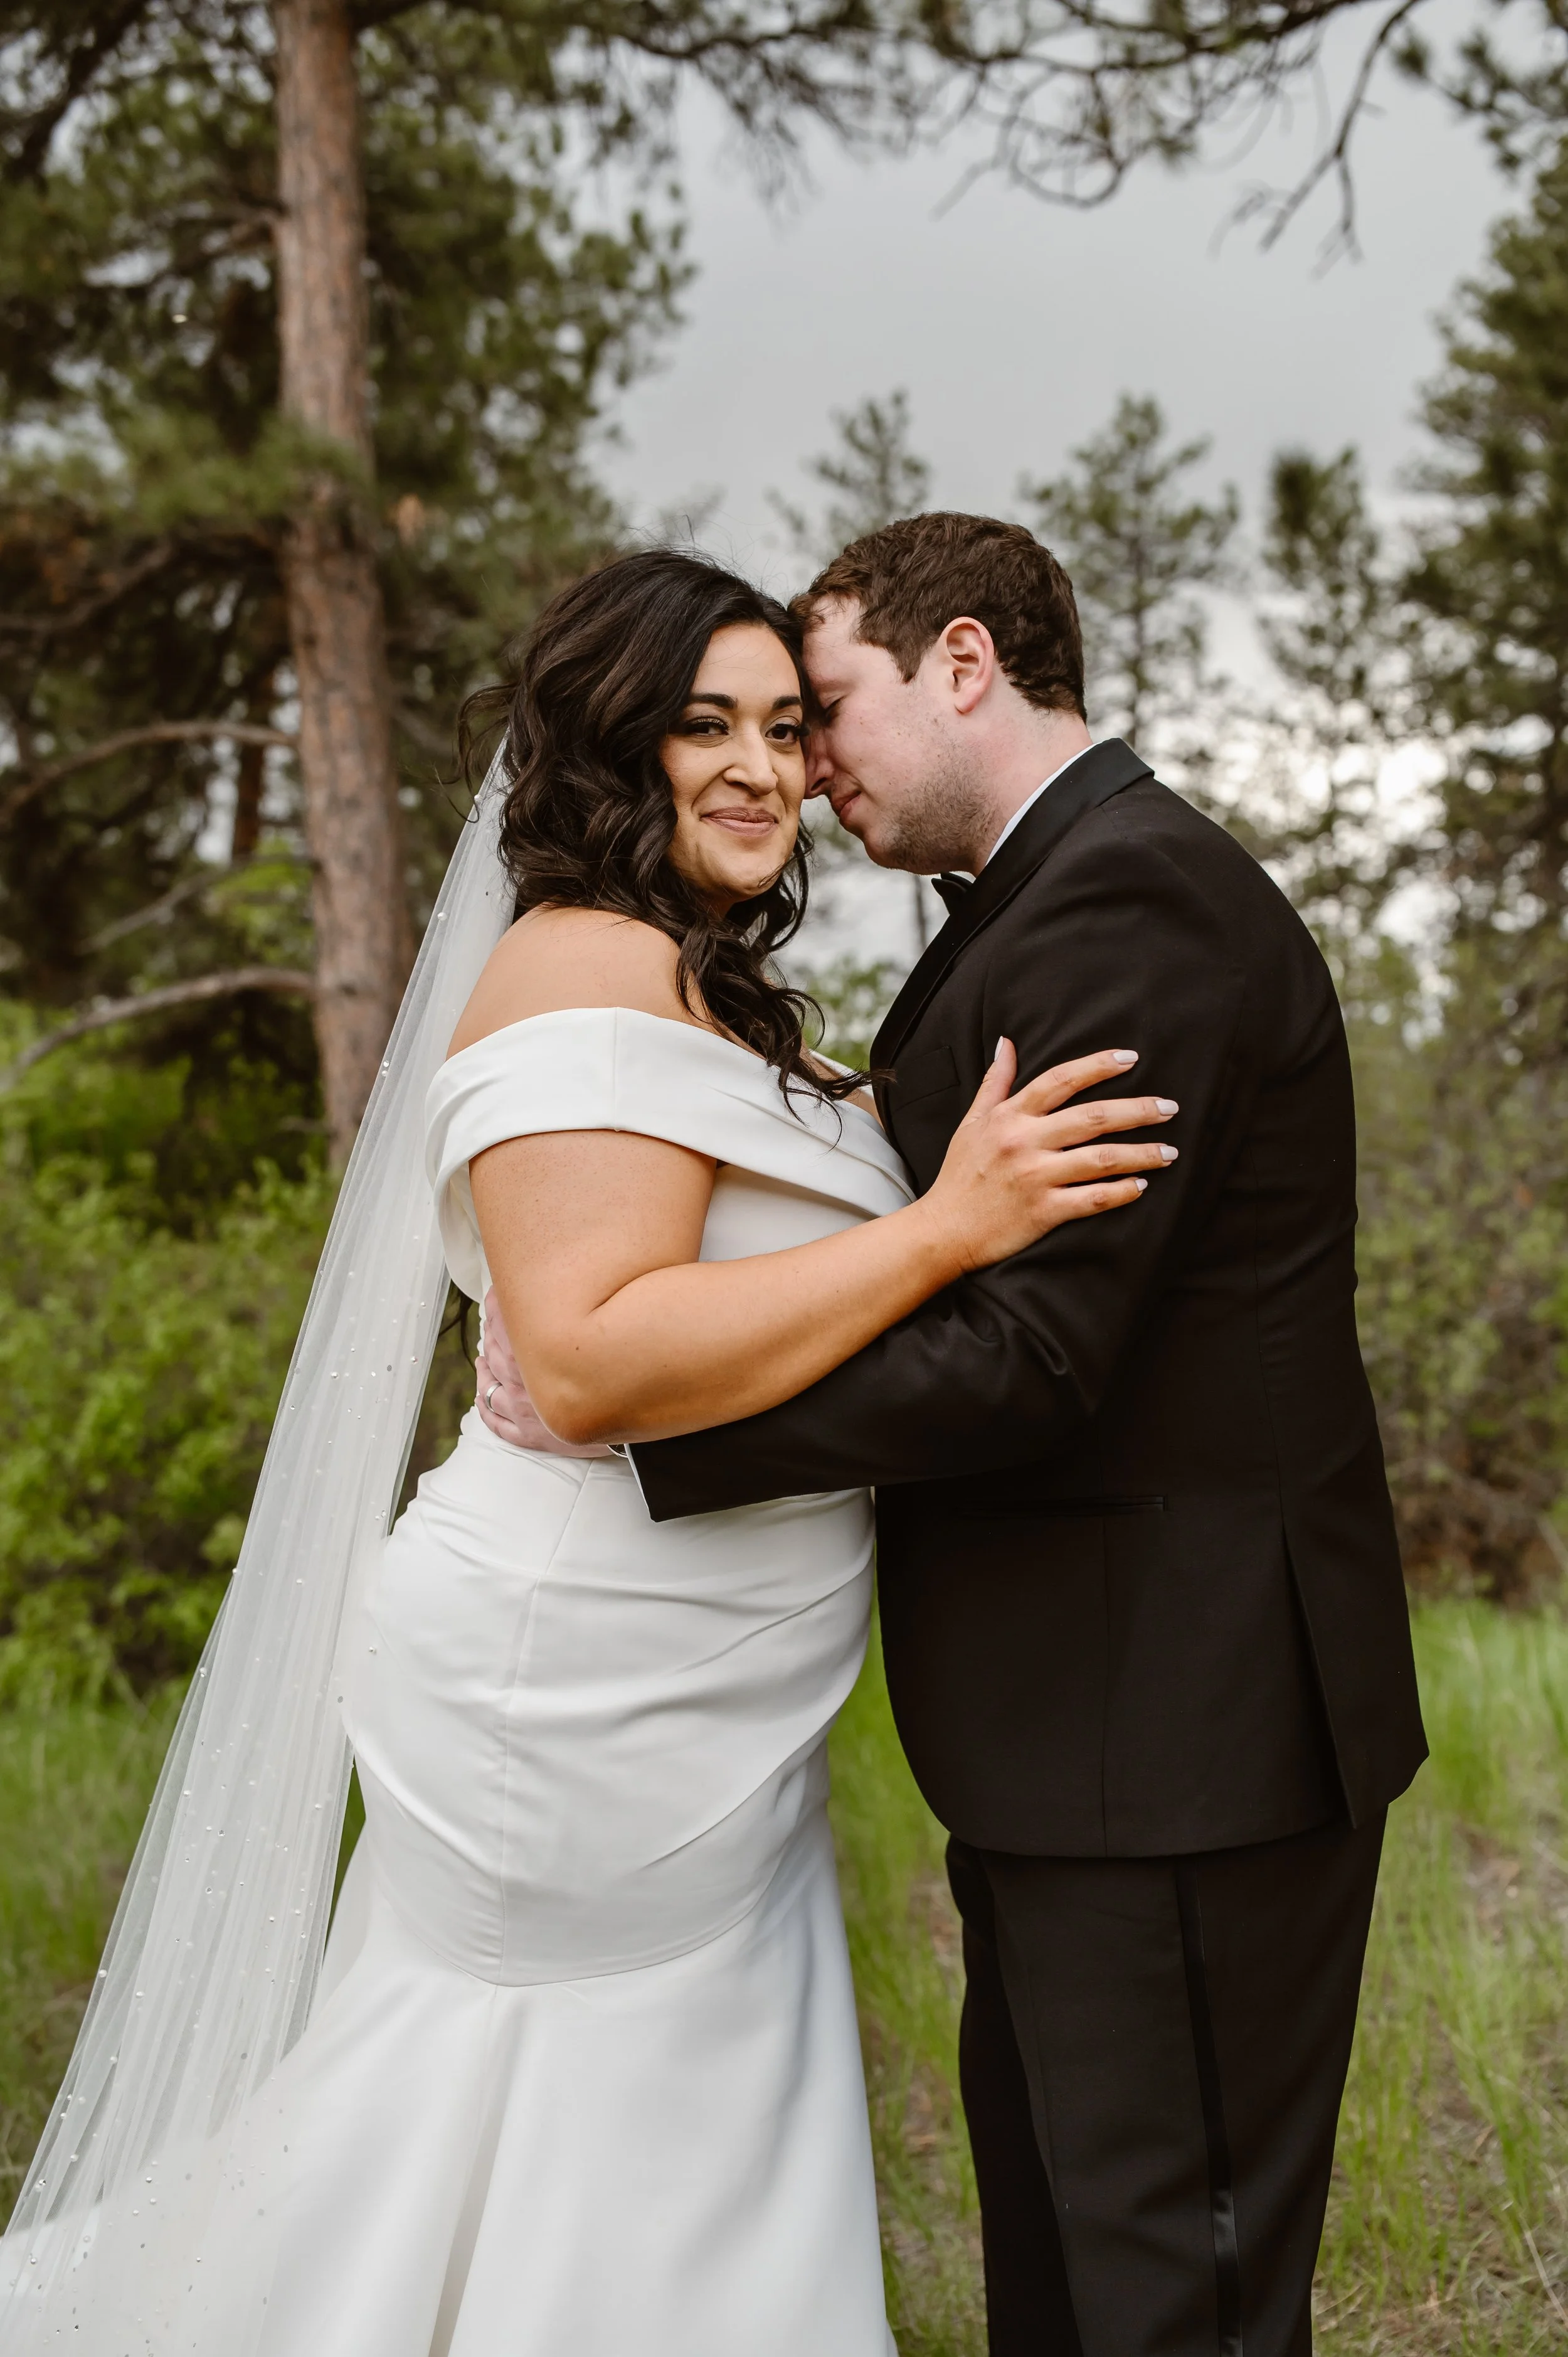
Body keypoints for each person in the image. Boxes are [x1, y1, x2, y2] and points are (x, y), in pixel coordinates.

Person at [0, 548, 1175, 2357]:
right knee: (565, 2114)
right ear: (604, 746)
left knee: (580, 2126)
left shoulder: (686, 979)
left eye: (788, 725)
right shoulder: (582, 963)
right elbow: (589, 1350)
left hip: (692, 1692)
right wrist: (944, 1227)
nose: (759, 767)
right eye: (702, 723)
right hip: (584, 1686)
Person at [477, 514, 1429, 2357]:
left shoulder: (1133, 905)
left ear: (965, 663)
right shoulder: (1038, 901)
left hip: (1182, 1729)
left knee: (1176, 2285)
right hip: (1092, 1729)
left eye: (823, 707)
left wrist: (636, 1425)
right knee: (1074, 2260)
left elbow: (1029, 1358)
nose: (803, 763)